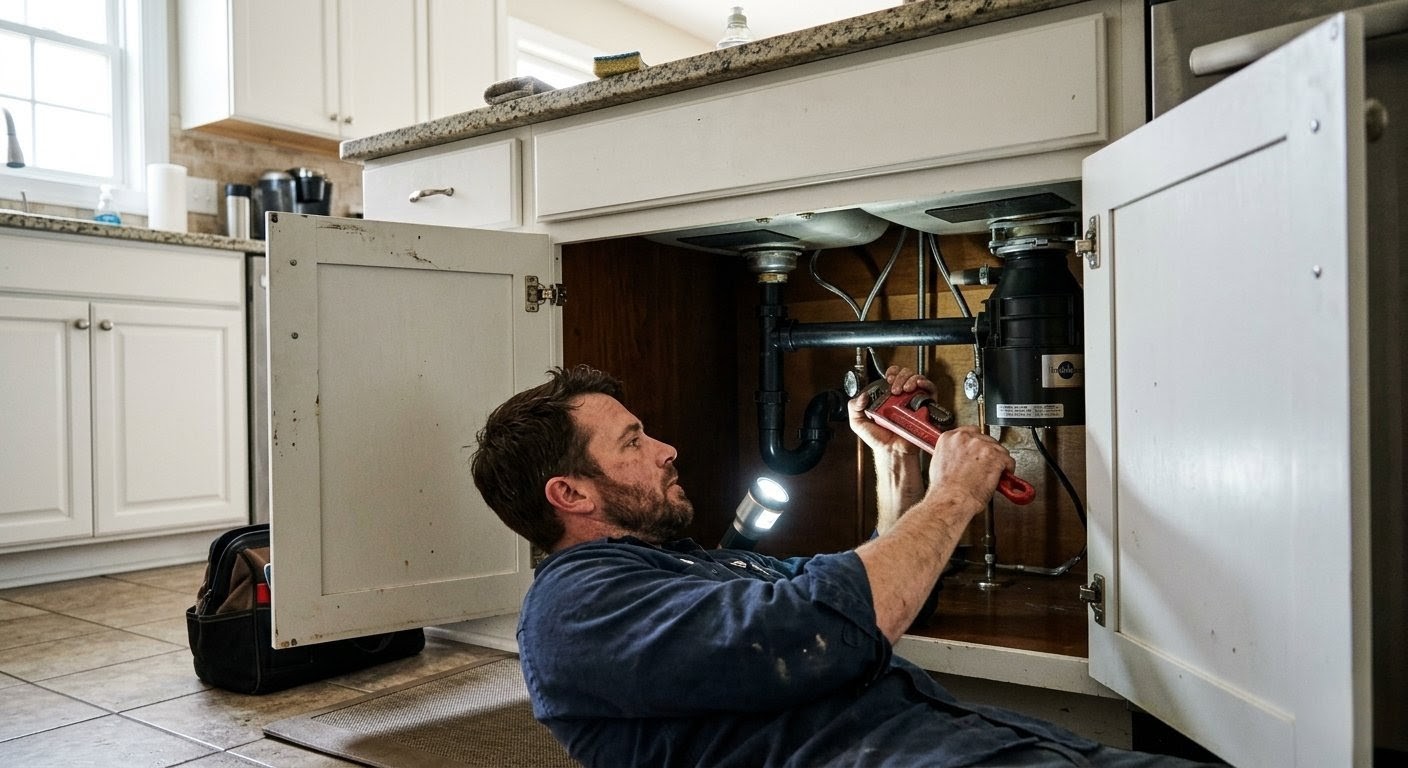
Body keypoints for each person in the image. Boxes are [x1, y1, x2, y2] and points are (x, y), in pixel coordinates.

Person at [470, 364, 1221, 768]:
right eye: (632, 442)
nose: (666, 449)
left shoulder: (694, 570)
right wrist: (955, 491)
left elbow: (872, 609)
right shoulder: (575, 610)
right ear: (569, 493)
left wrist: (894, 467)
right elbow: (819, 629)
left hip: (995, 744)